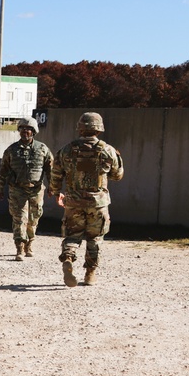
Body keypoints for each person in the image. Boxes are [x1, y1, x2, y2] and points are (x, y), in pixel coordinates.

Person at [48, 112, 124, 287]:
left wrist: (56, 191)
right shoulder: (107, 150)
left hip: (73, 201)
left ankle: (68, 258)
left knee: (72, 235)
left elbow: (56, 174)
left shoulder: (66, 149)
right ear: (99, 129)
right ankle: (90, 274)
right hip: (97, 203)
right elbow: (118, 175)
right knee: (95, 238)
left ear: (80, 128)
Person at [0, 116, 53, 260]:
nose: (25, 131)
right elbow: (3, 170)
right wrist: (0, 188)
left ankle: (30, 244)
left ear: (34, 131)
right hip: (17, 189)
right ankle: (19, 248)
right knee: (19, 218)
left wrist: (53, 187)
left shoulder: (42, 149)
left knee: (34, 219)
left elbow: (50, 169)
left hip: (36, 190)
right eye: (22, 128)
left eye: (28, 129)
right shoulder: (11, 150)